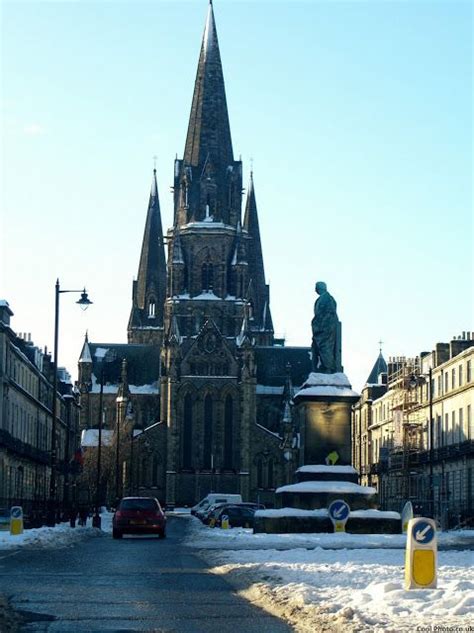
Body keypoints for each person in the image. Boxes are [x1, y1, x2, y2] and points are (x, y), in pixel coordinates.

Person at [311, 281, 339, 373]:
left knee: (325, 347)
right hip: (320, 328)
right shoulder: (322, 299)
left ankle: (329, 367)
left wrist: (320, 324)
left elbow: (329, 314)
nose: (315, 290)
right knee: (319, 348)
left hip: (326, 329)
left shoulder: (328, 299)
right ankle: (324, 366)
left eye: (316, 287)